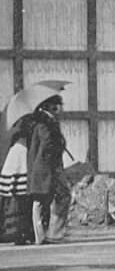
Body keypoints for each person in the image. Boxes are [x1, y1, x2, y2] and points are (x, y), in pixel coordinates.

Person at [26, 94, 70, 245]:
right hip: (48, 167)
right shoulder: (45, 123)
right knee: (49, 198)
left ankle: (46, 234)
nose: (60, 109)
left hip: (45, 167)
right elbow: (48, 145)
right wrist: (60, 146)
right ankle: (51, 233)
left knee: (42, 200)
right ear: (49, 106)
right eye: (57, 105)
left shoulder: (45, 121)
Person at [0, 116, 34, 245]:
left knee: (16, 209)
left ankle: (16, 233)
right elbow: (18, 166)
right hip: (19, 182)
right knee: (20, 210)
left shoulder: (16, 144)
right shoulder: (22, 146)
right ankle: (18, 234)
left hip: (13, 181)